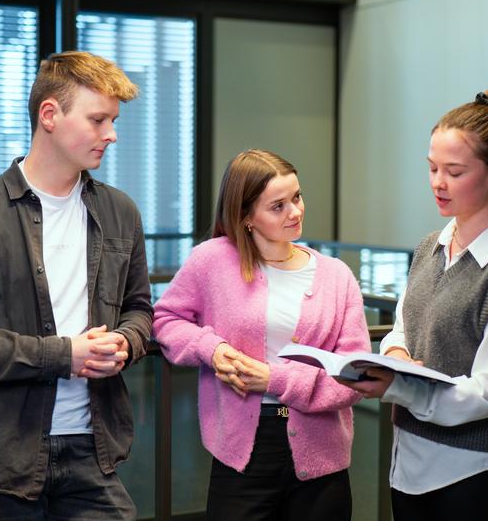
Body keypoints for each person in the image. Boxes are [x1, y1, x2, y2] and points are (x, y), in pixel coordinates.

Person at [0, 51, 153, 520]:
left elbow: (140, 309)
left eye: (113, 120)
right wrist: (63, 355)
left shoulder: (119, 212)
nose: (112, 134)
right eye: (98, 119)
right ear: (50, 115)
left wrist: (125, 343)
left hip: (92, 451)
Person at [341, 89, 488, 520]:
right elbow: (403, 327)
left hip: (471, 475)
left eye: (454, 171)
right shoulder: (428, 248)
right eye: (433, 168)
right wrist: (396, 354)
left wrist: (397, 386)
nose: (438, 182)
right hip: (410, 463)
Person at [153, 149, 371, 521]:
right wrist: (212, 348)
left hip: (322, 456)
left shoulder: (336, 276)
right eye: (278, 206)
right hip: (241, 451)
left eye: (297, 197)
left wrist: (274, 378)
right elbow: (166, 320)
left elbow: (356, 375)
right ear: (246, 216)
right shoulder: (212, 260)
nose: (296, 212)